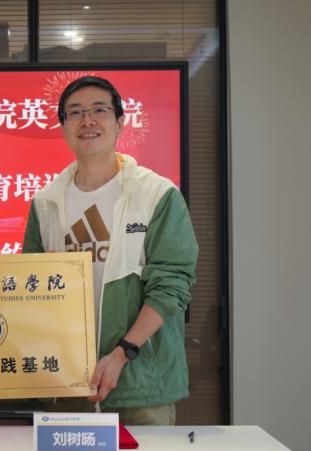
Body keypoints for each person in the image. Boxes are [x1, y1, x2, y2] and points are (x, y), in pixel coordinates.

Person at [23, 76, 198, 425]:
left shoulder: (156, 194)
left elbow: (172, 285)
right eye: (75, 112)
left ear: (120, 122)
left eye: (99, 110)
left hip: (141, 384)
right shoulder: (46, 203)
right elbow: (32, 288)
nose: (87, 120)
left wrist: (121, 354)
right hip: (70, 386)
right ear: (63, 127)